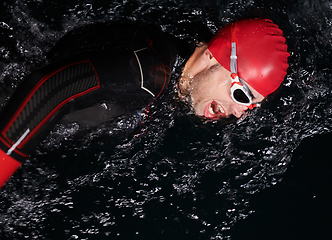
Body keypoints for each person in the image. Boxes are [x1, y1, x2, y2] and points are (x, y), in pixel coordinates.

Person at [0, 18, 290, 189]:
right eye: (242, 95)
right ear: (212, 56)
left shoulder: (180, 58)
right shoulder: (150, 76)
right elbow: (52, 86)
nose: (239, 113)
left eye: (251, 106)